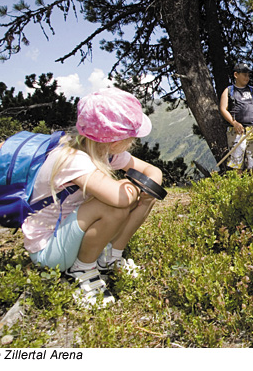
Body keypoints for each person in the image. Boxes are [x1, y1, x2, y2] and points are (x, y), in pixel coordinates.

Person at [22, 87, 163, 306]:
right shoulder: (73, 159)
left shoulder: (103, 151)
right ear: (115, 141)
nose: (134, 142)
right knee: (112, 206)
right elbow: (120, 200)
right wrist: (131, 187)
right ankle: (82, 270)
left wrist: (147, 184)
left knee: (146, 196)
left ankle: (110, 258)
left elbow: (152, 172)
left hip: (67, 234)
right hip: (49, 252)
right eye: (131, 138)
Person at [219, 63, 253, 172]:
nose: (247, 77)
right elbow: (223, 109)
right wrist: (234, 123)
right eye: (244, 75)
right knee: (237, 162)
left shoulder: (252, 90)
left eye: (248, 75)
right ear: (236, 75)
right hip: (237, 130)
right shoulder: (228, 91)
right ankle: (238, 186)